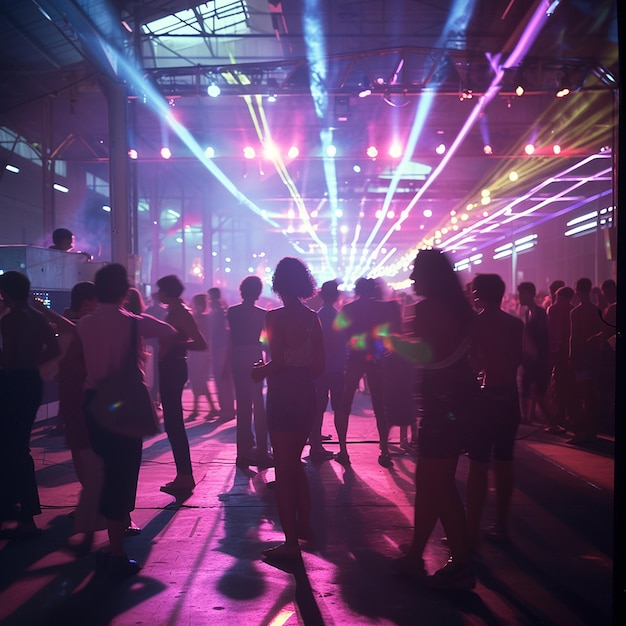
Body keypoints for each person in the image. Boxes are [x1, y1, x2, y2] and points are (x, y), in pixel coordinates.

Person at [77, 264, 175, 576]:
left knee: (103, 472)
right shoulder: (134, 322)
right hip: (124, 406)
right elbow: (170, 332)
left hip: (93, 405)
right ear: (123, 292)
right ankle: (116, 552)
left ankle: (100, 538)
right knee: (121, 477)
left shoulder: (85, 325)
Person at [393, 249, 478, 590]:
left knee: (437, 485)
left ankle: (461, 565)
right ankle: (416, 556)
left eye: (416, 273)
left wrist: (392, 342)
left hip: (440, 408)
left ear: (431, 276)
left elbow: (425, 353)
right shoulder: (462, 309)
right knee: (432, 484)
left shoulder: (427, 308)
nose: (412, 279)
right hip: (457, 405)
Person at [251, 257, 324, 560]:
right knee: (295, 463)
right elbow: (319, 365)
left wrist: (261, 372)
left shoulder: (274, 318)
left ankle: (290, 542)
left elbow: (278, 359)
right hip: (307, 392)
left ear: (278, 283)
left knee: (283, 467)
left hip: (282, 393)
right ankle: (305, 526)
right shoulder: (313, 318)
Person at [0, 271, 61, 539]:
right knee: (19, 445)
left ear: (6, 292)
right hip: (31, 382)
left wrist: (15, 363)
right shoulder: (38, 317)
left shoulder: (11, 319)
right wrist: (34, 361)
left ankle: (24, 515)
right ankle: (21, 511)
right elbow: (55, 348)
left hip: (13, 382)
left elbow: (8, 355)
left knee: (12, 447)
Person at [466, 274, 524, 548]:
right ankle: (501, 525)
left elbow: (474, 364)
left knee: (478, 463)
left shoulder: (476, 324)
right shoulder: (515, 324)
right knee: (504, 461)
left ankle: (472, 530)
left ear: (479, 295)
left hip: (484, 399)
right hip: (510, 397)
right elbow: (516, 360)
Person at [333, 277, 400, 468]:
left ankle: (344, 451)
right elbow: (390, 334)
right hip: (376, 358)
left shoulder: (348, 309)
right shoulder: (384, 308)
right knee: (380, 406)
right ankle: (385, 450)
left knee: (344, 405)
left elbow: (340, 334)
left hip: (354, 358)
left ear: (357, 290)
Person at [156, 275, 208, 498]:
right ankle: (183, 474)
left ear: (167, 292)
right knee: (172, 422)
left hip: (174, 367)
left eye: (160, 290)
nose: (157, 294)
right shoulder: (174, 311)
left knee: (174, 422)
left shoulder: (181, 313)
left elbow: (200, 343)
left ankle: (185, 475)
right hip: (171, 367)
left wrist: (176, 342)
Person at [227, 276, 271, 469]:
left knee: (243, 408)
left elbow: (231, 339)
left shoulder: (232, 312)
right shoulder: (263, 314)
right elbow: (267, 341)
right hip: (255, 357)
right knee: (259, 406)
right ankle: (262, 451)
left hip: (238, 357)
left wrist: (225, 365)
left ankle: (242, 454)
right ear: (258, 293)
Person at [310, 280, 345, 461]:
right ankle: (342, 449)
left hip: (320, 368)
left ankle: (315, 444)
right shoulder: (338, 316)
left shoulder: (317, 316)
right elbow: (340, 342)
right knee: (339, 408)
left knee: (318, 408)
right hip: (336, 369)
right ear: (336, 296)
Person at [567, 277, 603, 444]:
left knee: (582, 396)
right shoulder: (597, 310)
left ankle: (582, 433)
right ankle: (592, 431)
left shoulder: (575, 312)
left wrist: (571, 356)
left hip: (580, 359)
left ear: (578, 291)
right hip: (594, 358)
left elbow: (573, 338)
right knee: (592, 397)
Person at [517, 282, 552, 425]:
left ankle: (555, 422)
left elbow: (543, 337)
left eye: (521, 294)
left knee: (538, 392)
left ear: (529, 295)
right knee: (527, 388)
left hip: (539, 359)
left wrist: (537, 354)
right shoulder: (527, 312)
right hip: (530, 359)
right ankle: (528, 417)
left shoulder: (540, 312)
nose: (519, 297)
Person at [546, 285, 576, 433]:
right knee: (569, 386)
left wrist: (551, 351)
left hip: (558, 353)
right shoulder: (573, 309)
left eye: (558, 298)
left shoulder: (553, 310)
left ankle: (559, 419)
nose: (556, 301)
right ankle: (569, 418)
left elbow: (552, 332)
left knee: (558, 386)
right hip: (569, 353)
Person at [188, 293, 219, 421]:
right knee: (198, 381)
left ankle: (209, 408)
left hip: (197, 353)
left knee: (198, 381)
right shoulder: (205, 318)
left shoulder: (196, 318)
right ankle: (200, 409)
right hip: (200, 353)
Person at [207, 287, 236, 419]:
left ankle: (228, 409)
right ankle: (225, 407)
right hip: (217, 348)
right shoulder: (217, 311)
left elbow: (222, 333)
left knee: (223, 378)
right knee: (220, 379)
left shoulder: (220, 312)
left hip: (220, 348)